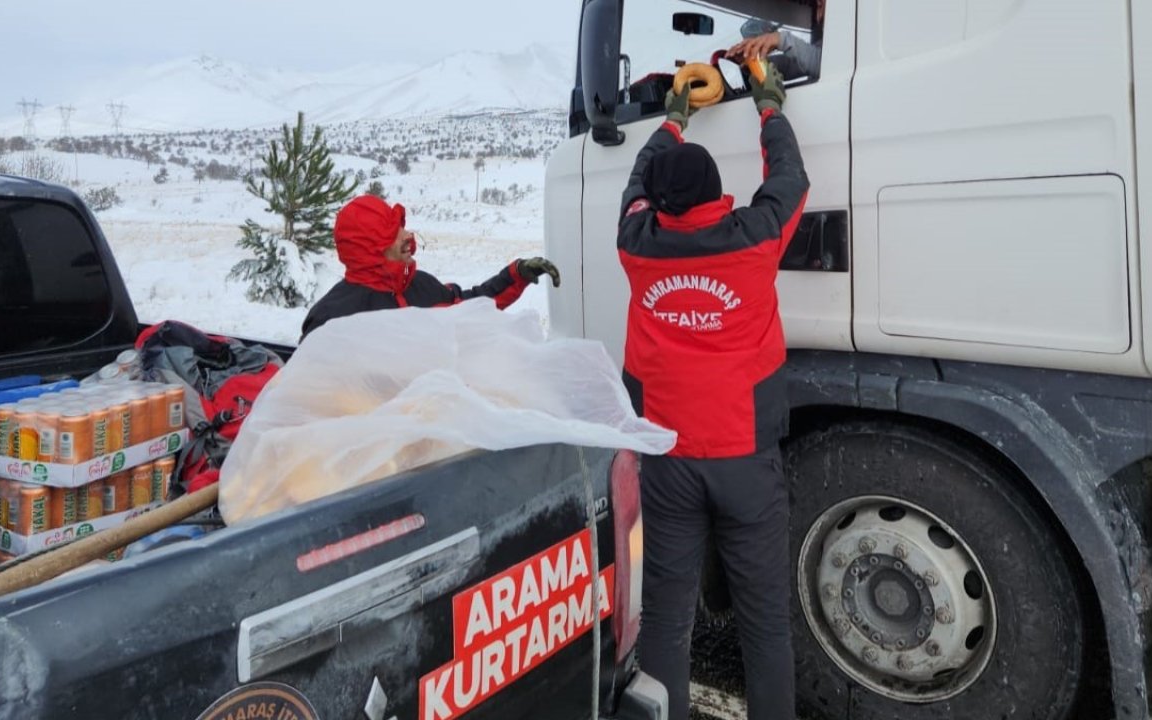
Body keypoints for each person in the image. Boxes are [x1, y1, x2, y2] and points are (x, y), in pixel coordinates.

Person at [616, 59, 808, 720]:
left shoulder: (637, 243)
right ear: (714, 192)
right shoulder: (755, 238)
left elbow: (639, 179)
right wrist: (767, 99)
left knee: (667, 619)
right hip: (745, 462)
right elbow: (790, 178)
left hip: (667, 458)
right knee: (765, 623)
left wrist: (673, 114)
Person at [301, 194, 560, 340]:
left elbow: (469, 307)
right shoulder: (332, 319)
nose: (407, 235)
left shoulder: (420, 286)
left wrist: (516, 274)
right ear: (368, 248)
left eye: (402, 226)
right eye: (393, 232)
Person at [727, 0, 825, 81]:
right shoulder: (824, 44)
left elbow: (824, 64)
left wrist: (781, 39)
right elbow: (791, 66)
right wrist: (753, 63)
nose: (818, 3)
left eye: (820, 3)